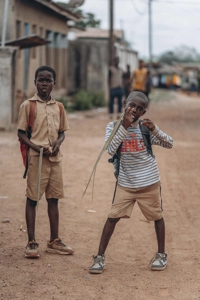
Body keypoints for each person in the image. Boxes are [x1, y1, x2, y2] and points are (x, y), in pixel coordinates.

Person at [89, 91, 173, 274]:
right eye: (132, 105)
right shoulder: (113, 127)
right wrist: (124, 126)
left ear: (144, 112)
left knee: (157, 217)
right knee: (112, 217)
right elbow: (110, 149)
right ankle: (100, 257)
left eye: (140, 108)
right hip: (126, 184)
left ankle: (161, 254)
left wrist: (155, 129)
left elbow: (169, 143)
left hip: (149, 183)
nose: (134, 110)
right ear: (125, 102)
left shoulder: (145, 129)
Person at [18, 66, 74, 258]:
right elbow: (21, 133)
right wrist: (35, 147)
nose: (44, 83)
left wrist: (58, 143)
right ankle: (32, 242)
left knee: (53, 199)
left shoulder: (59, 107)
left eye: (48, 80)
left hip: (54, 159)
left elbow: (62, 132)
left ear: (53, 84)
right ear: (35, 82)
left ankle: (54, 240)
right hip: (36, 159)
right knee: (33, 199)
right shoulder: (28, 106)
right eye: (40, 80)